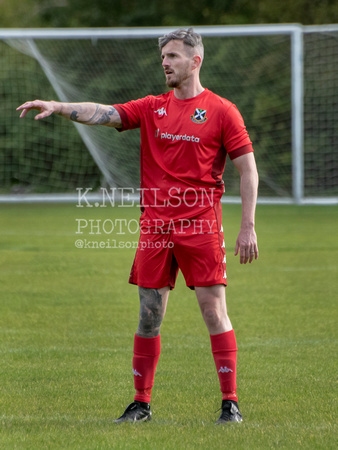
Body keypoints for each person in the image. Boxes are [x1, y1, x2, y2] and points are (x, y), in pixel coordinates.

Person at [17, 28, 259, 425]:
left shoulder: (222, 111)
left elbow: (248, 169)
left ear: (195, 61)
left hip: (201, 225)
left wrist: (247, 225)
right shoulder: (152, 107)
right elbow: (107, 112)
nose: (165, 62)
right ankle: (140, 404)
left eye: (173, 56)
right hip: (155, 228)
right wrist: (60, 107)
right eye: (163, 56)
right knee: (149, 315)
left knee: (214, 311)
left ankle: (230, 403)